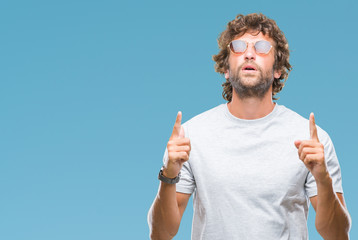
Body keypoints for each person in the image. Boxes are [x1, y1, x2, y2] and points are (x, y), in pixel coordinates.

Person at [147, 13, 351, 240]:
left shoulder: (312, 140)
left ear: (278, 70)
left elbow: (338, 235)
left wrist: (323, 179)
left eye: (262, 47)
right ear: (226, 68)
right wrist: (168, 176)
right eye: (238, 46)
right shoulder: (189, 137)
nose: (249, 53)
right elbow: (161, 234)